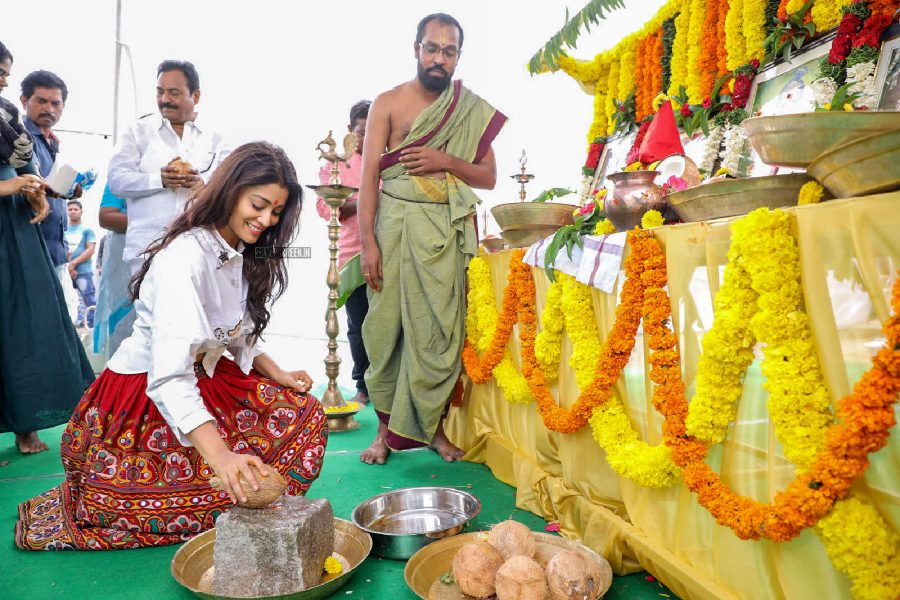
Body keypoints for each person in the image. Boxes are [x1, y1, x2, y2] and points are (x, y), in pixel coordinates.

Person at [16, 142, 329, 551]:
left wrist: (277, 372)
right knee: (179, 507)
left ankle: (207, 489)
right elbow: (169, 377)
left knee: (305, 417)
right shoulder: (184, 258)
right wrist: (221, 458)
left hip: (206, 376)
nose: (267, 220)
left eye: (276, 212)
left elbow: (236, 330)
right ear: (231, 191)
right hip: (143, 392)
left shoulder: (238, 250)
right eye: (259, 205)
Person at [358, 14, 507, 465]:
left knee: (437, 334)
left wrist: (445, 159)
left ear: (458, 56)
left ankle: (435, 431)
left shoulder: (469, 110)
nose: (439, 58)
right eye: (432, 48)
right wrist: (368, 243)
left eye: (449, 51)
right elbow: (368, 178)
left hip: (443, 232)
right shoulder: (386, 103)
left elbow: (489, 177)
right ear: (416, 48)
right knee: (387, 334)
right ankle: (383, 433)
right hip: (394, 227)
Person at [0, 40, 94, 456]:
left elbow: (28, 173)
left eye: (5, 70)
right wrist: (15, 185)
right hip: (12, 229)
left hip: (20, 234)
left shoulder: (8, 120)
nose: (2, 77)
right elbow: (18, 177)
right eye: (0, 71)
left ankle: (28, 424)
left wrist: (37, 191)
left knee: (30, 328)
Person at [108, 59, 229, 274]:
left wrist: (202, 185)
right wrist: (159, 180)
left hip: (199, 252)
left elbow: (229, 190)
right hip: (147, 252)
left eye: (174, 92)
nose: (164, 100)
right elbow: (117, 181)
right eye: (159, 92)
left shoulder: (216, 140)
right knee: (148, 308)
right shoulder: (138, 132)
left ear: (196, 96)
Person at [316, 99, 371, 406]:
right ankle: (363, 385)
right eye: (361, 131)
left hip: (390, 253)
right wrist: (362, 201)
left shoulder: (386, 162)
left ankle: (388, 383)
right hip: (351, 256)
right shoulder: (335, 164)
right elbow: (325, 207)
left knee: (388, 323)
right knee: (358, 325)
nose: (366, 138)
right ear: (350, 130)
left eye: (374, 130)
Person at [20, 69, 80, 323]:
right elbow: (23, 184)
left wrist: (68, 190)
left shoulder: (52, 142)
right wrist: (53, 189)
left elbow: (50, 187)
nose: (49, 108)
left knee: (61, 319)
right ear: (24, 101)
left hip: (55, 250)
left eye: (55, 103)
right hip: (28, 248)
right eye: (41, 101)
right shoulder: (18, 137)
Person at [92, 184, 135, 357]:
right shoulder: (123, 170)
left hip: (169, 256)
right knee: (125, 325)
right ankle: (123, 381)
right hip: (125, 259)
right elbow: (106, 217)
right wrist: (156, 220)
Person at [66, 199, 97, 328]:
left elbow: (90, 250)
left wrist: (74, 263)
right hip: (67, 272)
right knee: (72, 299)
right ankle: (78, 324)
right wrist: (69, 267)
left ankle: (91, 325)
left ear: (81, 211)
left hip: (84, 271)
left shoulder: (87, 230)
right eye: (70, 209)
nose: (73, 212)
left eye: (75, 209)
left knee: (88, 299)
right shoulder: (64, 229)